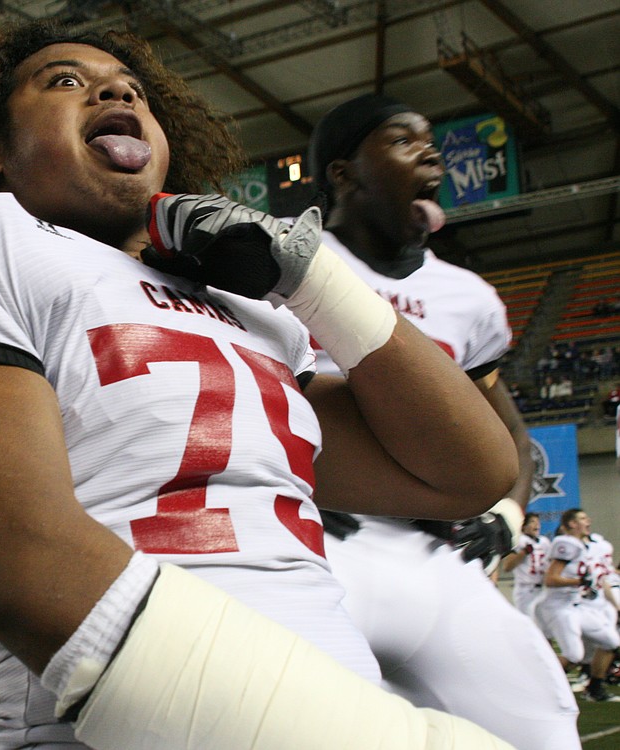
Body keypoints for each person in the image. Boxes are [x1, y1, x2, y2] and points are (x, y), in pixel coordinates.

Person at [0, 21, 521, 750]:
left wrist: (311, 280)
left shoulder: (244, 310)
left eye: (132, 88)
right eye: (64, 81)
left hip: (325, 696)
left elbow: (466, 473)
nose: (111, 88)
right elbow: (28, 569)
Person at [304, 93, 579, 748]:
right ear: (342, 173)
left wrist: (505, 516)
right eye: (402, 140)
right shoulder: (277, 260)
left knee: (540, 729)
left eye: (429, 140)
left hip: (434, 549)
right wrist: (295, 480)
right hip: (315, 542)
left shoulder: (467, 297)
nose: (430, 150)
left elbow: (507, 433)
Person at [536, 508, 620, 703]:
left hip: (577, 606)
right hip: (559, 607)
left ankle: (594, 689)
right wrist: (577, 582)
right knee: (574, 654)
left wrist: (616, 607)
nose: (588, 521)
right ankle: (540, 688)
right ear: (572, 524)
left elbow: (600, 581)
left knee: (611, 641)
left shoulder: (586, 548)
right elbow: (551, 579)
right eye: (582, 518)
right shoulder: (566, 543)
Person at [504, 513, 552, 625]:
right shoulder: (519, 541)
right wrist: (524, 552)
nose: (537, 524)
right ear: (524, 526)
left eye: (538, 522)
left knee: (545, 624)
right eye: (532, 521)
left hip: (542, 589)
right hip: (525, 590)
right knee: (529, 624)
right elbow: (507, 566)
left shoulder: (544, 542)